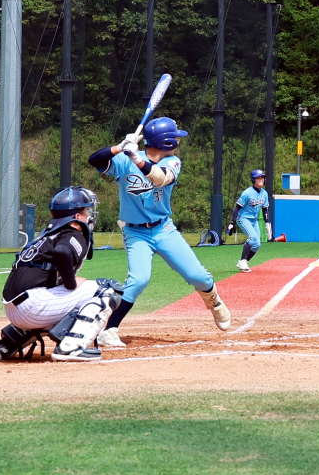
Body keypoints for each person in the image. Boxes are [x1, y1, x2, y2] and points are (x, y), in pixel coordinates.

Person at [87, 115, 231, 348]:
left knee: (198, 276)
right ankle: (110, 330)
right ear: (165, 141)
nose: (178, 140)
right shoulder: (124, 160)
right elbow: (94, 161)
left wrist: (136, 158)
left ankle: (213, 302)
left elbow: (161, 178)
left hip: (164, 229)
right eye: (174, 137)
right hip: (135, 233)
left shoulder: (172, 161)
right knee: (139, 279)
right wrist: (119, 148)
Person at [0, 186, 122, 363]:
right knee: (108, 291)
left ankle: (8, 344)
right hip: (32, 307)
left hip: (14, 309)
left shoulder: (46, 235)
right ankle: (70, 348)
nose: (89, 215)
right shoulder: (72, 232)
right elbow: (63, 251)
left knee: (70, 299)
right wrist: (71, 283)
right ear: (76, 217)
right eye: (86, 211)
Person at [233, 169, 269, 272]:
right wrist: (232, 222)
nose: (261, 180)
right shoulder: (247, 193)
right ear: (253, 180)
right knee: (252, 237)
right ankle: (243, 260)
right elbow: (237, 208)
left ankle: (243, 262)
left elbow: (265, 209)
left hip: (254, 220)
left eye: (262, 177)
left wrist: (267, 223)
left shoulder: (264, 193)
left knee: (257, 244)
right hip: (243, 218)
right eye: (258, 178)